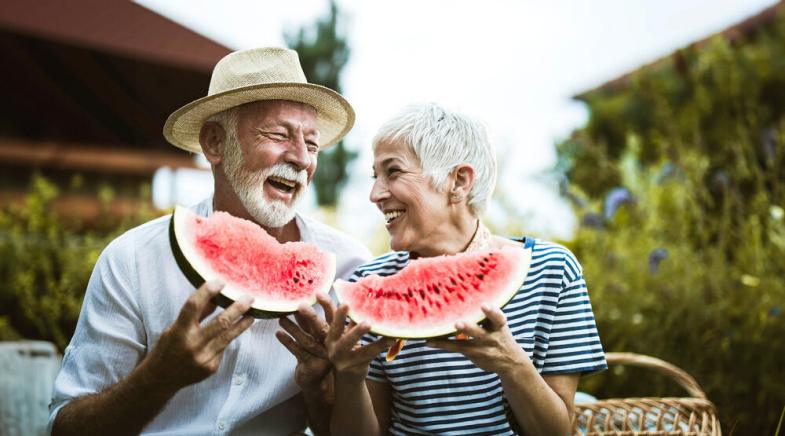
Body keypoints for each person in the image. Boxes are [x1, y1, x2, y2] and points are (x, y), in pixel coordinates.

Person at [48, 47, 371, 436]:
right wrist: (158, 378)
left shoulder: (349, 267)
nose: (302, 158)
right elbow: (63, 427)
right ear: (215, 143)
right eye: (279, 134)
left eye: (313, 143)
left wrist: (321, 392)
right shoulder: (133, 259)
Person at [320, 103, 607, 435]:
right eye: (375, 176)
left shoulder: (552, 271)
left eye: (393, 171)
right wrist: (350, 377)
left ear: (458, 181)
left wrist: (511, 363)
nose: (375, 194)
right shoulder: (368, 284)